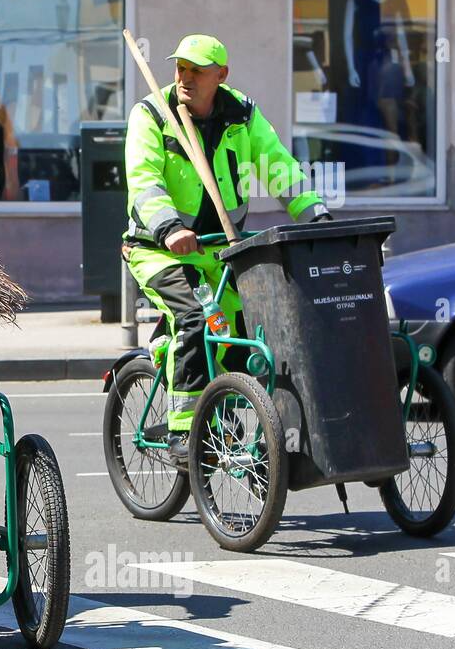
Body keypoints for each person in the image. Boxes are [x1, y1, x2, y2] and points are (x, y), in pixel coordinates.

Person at [123, 34, 333, 458]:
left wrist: (316, 216)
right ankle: (184, 428)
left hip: (222, 251)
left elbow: (280, 169)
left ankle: (253, 427)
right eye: (180, 68)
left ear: (221, 75)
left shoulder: (242, 116)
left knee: (250, 332)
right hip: (158, 250)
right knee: (196, 317)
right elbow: (144, 181)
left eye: (196, 70)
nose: (185, 77)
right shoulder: (152, 115)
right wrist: (167, 229)